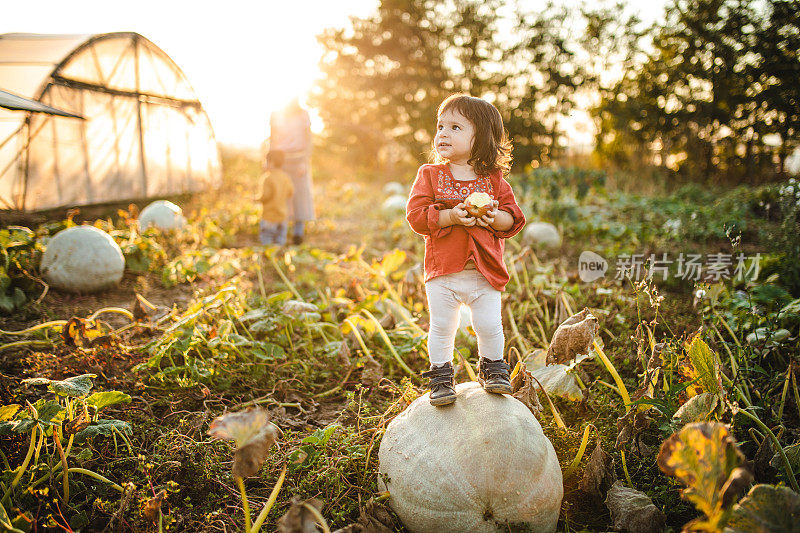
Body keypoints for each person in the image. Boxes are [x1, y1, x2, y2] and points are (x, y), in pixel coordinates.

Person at [405, 94, 526, 406]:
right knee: (443, 327)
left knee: (488, 324)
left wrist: (493, 216)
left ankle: (493, 369)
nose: (443, 133)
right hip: (443, 271)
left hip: (483, 274)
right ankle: (441, 376)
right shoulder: (430, 175)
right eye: (440, 126)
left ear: (481, 138)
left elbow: (512, 218)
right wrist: (448, 216)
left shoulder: (494, 181)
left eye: (455, 127)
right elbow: (416, 216)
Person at [269, 97, 314, 245]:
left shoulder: (303, 115)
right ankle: (280, 230)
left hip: (299, 157)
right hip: (280, 159)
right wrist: (269, 161)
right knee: (280, 195)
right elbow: (272, 140)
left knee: (300, 195)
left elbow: (308, 140)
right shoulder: (275, 115)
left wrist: (304, 161)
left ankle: (298, 232)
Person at [258, 150, 294, 246]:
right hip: (282, 216)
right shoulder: (286, 177)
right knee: (280, 240)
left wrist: (257, 199)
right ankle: (278, 255)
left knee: (267, 238)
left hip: (270, 216)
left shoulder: (267, 178)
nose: (264, 164)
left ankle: (269, 256)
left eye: (265, 161)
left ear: (271, 163)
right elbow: (290, 192)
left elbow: (266, 196)